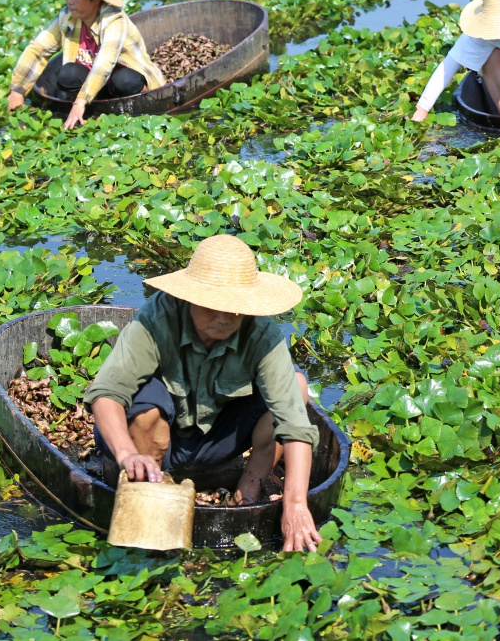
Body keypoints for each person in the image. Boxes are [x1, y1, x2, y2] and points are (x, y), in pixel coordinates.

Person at [83, 235, 323, 552]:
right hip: (153, 446)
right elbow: (106, 395)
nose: (223, 317)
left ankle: (245, 496)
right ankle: (147, 498)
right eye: (212, 305)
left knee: (297, 386)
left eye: (234, 308)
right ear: (191, 297)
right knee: (147, 409)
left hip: (218, 443)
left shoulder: (262, 334)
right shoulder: (159, 319)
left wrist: (295, 502)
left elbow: (294, 423)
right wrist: (128, 454)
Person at [7, 0, 165, 129]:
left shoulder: (114, 20)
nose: (69, 1)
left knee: (124, 81)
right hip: (96, 84)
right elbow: (38, 49)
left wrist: (79, 103)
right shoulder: (68, 16)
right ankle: (95, 105)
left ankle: (134, 104)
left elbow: (104, 64)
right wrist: (17, 90)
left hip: (122, 78)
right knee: (67, 74)